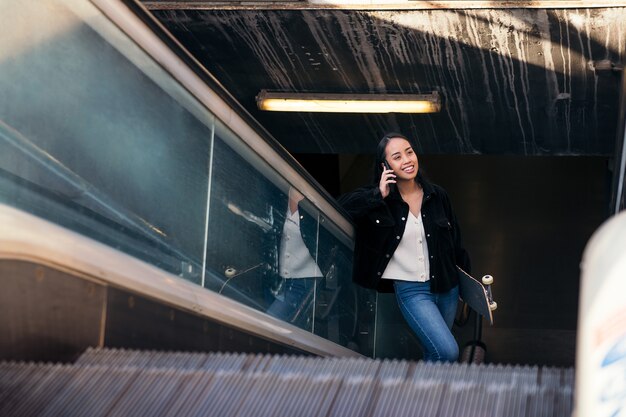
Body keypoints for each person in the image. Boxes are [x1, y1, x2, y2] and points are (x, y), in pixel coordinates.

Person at [338, 132, 471, 362]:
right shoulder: (379, 200)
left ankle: (425, 397)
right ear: (385, 165)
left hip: (447, 286)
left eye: (409, 152)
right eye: (397, 157)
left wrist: (467, 288)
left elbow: (456, 244)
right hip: (412, 291)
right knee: (448, 351)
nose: (407, 160)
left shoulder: (438, 195)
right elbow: (341, 208)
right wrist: (377, 194)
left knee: (435, 352)